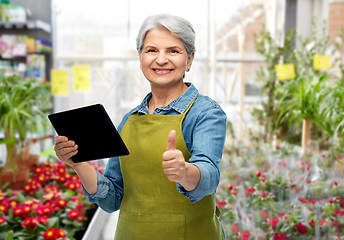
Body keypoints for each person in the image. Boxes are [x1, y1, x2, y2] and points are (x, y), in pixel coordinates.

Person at [54, 14, 227, 240]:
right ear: (140, 57)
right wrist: (78, 164)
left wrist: (184, 172)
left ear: (190, 60)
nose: (161, 60)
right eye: (151, 50)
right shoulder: (129, 120)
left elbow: (209, 177)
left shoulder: (205, 113)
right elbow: (112, 198)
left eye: (173, 51)